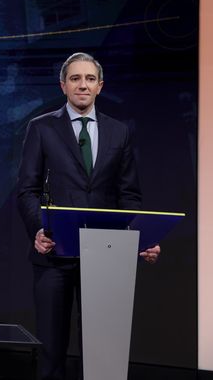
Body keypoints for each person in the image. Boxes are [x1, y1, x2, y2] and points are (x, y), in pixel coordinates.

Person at [17, 52, 160, 380]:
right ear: (64, 85)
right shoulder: (41, 128)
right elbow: (27, 189)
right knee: (51, 352)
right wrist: (38, 229)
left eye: (90, 79)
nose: (83, 85)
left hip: (105, 254)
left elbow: (129, 195)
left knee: (103, 353)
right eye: (76, 79)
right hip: (54, 255)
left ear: (100, 86)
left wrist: (140, 237)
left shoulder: (118, 131)